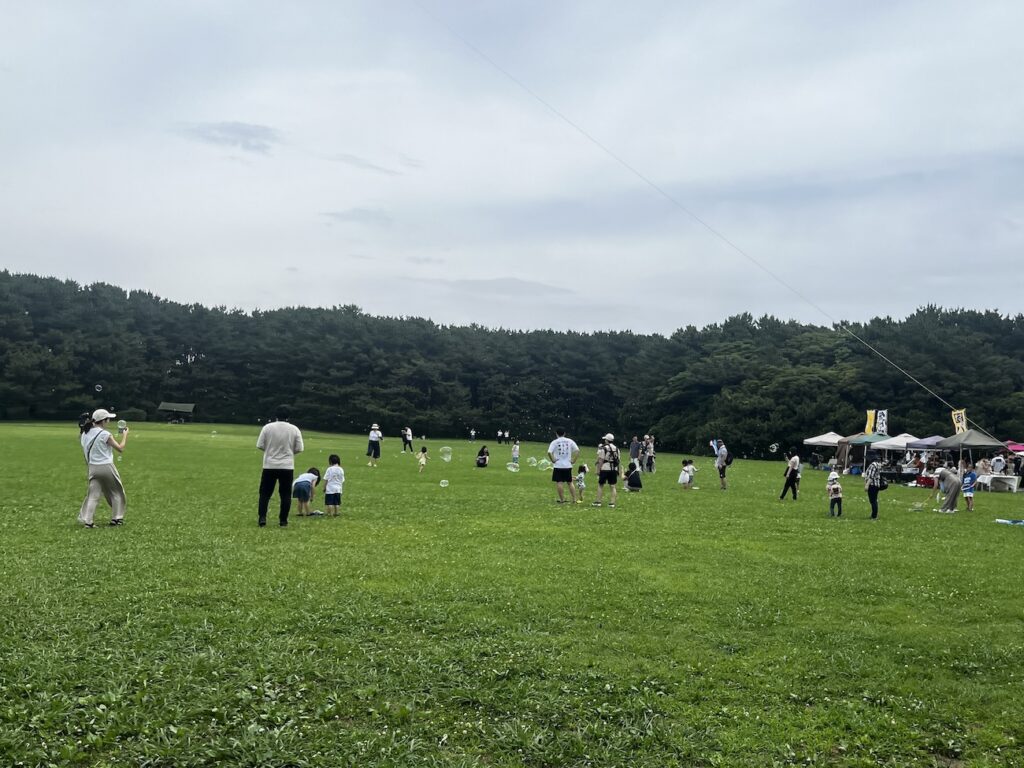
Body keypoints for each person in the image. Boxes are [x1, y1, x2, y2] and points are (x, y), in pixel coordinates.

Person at [78, 408, 129, 528]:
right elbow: (120, 448)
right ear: (103, 421)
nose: (109, 421)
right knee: (116, 492)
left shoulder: (85, 433)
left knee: (93, 495)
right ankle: (116, 519)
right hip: (106, 466)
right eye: (108, 419)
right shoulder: (105, 434)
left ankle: (88, 522)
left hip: (92, 468)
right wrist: (125, 435)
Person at [257, 405, 304, 527]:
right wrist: (288, 453)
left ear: (276, 415)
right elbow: (299, 448)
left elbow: (260, 445)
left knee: (265, 493)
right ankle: (283, 520)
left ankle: (262, 518)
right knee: (285, 494)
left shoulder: (267, 427)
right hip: (287, 466)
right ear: (289, 416)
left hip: (269, 465)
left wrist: (270, 451)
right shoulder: (294, 429)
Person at [547, 428, 580, 504]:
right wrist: (574, 460)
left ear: (556, 434)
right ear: (564, 433)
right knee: (570, 482)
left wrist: (553, 460)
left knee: (559, 482)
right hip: (568, 465)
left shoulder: (555, 442)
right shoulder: (570, 441)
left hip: (558, 465)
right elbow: (577, 450)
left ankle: (562, 500)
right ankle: (574, 499)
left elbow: (549, 452)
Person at [592, 433, 621, 508]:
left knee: (600, 485)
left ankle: (598, 502)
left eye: (605, 439)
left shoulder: (604, 448)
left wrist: (598, 470)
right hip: (613, 469)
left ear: (607, 440)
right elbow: (618, 460)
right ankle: (612, 503)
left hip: (605, 468)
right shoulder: (617, 449)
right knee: (612, 486)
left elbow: (601, 460)